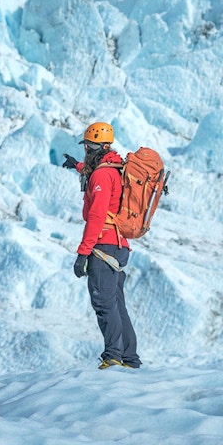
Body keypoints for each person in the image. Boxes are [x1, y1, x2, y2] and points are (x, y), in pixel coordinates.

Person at [63, 122, 141, 370]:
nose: (85, 150)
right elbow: (98, 177)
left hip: (103, 246)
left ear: (94, 147)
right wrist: (77, 166)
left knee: (104, 304)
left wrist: (82, 253)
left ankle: (113, 356)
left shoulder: (101, 174)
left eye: (86, 146)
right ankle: (129, 358)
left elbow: (96, 216)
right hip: (119, 246)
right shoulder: (114, 169)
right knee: (117, 304)